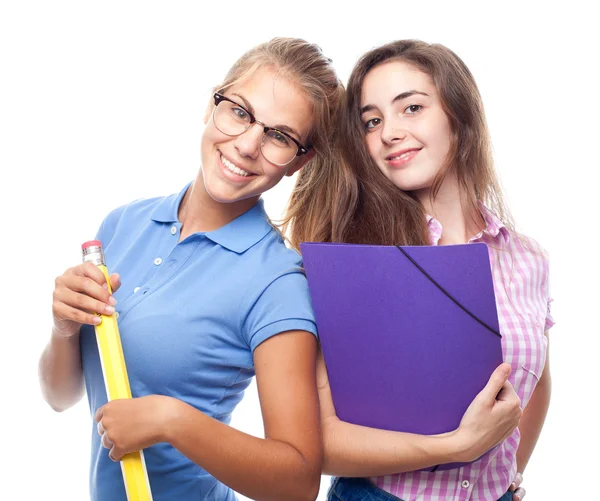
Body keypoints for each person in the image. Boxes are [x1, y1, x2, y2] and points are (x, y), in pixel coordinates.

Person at [38, 37, 344, 501]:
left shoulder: (278, 283)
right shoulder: (123, 224)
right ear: (212, 103)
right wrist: (63, 328)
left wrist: (171, 419)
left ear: (300, 160)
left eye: (279, 136)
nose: (246, 145)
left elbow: (297, 482)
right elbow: (60, 397)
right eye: (239, 111)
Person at [285, 40, 553, 501]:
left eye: (411, 107)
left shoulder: (526, 257)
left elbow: (535, 379)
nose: (389, 131)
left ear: (458, 113)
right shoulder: (351, 259)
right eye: (372, 120)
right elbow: (321, 442)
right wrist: (455, 446)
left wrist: (507, 475)